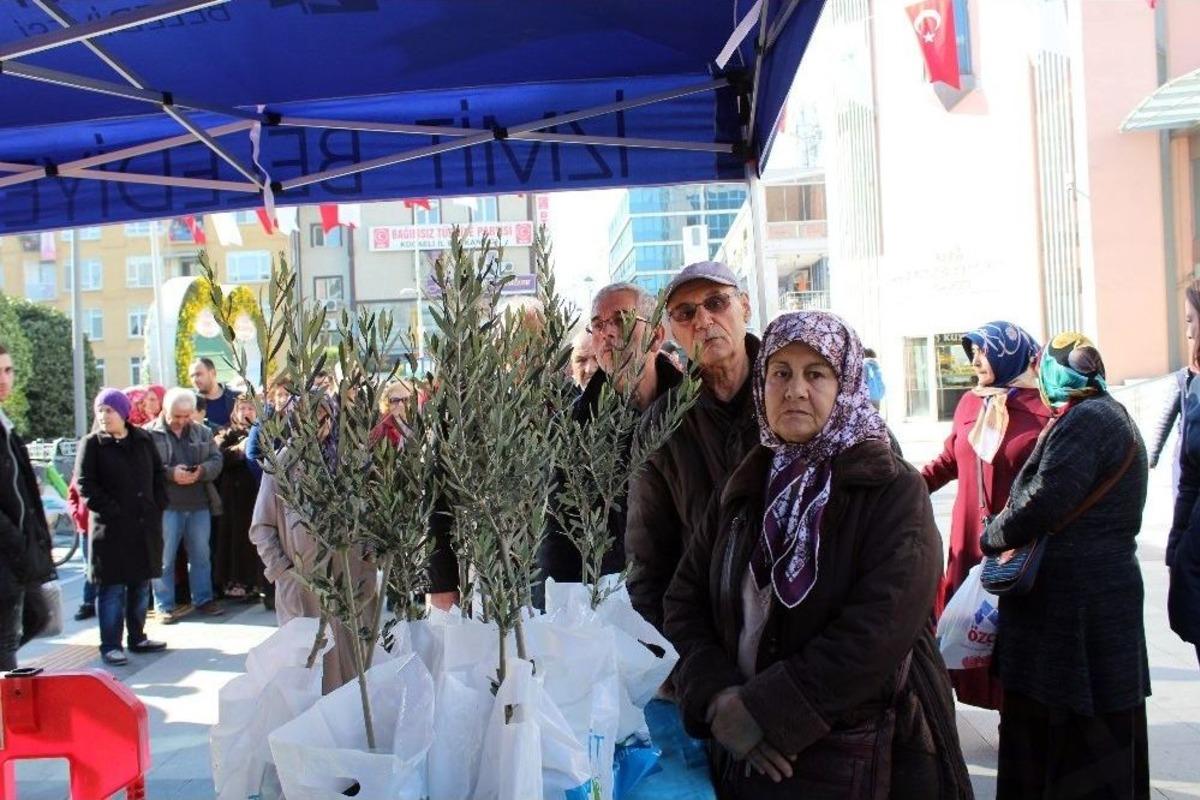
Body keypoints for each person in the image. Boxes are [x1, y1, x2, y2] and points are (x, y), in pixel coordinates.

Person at [664, 312, 971, 799]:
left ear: (846, 383)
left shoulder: (891, 489)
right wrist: (718, 696)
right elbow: (684, 599)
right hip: (743, 752)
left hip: (854, 757)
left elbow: (880, 627)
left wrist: (767, 710)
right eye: (780, 372)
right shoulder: (747, 484)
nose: (795, 390)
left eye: (816, 373)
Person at [981, 333, 1150, 799]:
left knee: (1068, 741)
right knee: (1095, 735)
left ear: (1059, 372)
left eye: (1044, 368)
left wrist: (993, 534)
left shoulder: (1088, 420)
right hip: (1096, 606)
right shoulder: (1107, 414)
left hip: (1073, 617)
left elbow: (1044, 502)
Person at [626, 261, 761, 632]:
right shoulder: (662, 424)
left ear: (744, 307)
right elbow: (647, 560)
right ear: (672, 329)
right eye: (685, 313)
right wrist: (678, 662)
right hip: (708, 635)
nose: (702, 321)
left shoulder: (795, 395)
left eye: (716, 302)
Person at [921, 321, 1049, 709]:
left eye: (982, 350)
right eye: (972, 351)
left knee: (1016, 632)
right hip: (971, 540)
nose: (975, 359)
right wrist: (902, 487)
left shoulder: (1043, 407)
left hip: (1017, 545)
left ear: (1008, 352)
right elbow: (948, 460)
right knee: (971, 631)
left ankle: (1018, 715)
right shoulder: (970, 404)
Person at [538, 282, 683, 588]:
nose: (608, 333)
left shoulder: (693, 411)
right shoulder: (574, 425)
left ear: (656, 335)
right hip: (608, 601)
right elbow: (559, 530)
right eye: (598, 325)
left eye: (621, 320)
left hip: (687, 596)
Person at [250, 396, 376, 693]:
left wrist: (370, 558)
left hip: (350, 582)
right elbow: (261, 527)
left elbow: (370, 514)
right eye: (310, 417)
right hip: (304, 587)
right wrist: (284, 572)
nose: (319, 425)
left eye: (324, 417)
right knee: (311, 670)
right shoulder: (281, 465)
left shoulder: (349, 462)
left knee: (353, 669)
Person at [75, 389, 169, 666]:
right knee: (112, 589)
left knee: (140, 585)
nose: (104, 416)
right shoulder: (92, 444)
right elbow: (85, 484)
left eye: (109, 410)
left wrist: (157, 503)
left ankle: (137, 637)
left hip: (142, 527)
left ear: (123, 413)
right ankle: (111, 644)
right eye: (100, 411)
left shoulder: (142, 438)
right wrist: (112, 509)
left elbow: (157, 474)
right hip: (111, 530)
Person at [147, 387, 224, 623]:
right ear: (164, 410)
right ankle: (164, 605)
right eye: (176, 416)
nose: (181, 422)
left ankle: (203, 598)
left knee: (201, 555)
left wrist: (201, 471)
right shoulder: (149, 434)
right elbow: (143, 468)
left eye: (186, 416)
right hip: (166, 506)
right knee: (164, 558)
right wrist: (171, 474)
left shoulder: (202, 432)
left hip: (199, 503)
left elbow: (216, 459)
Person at [0, 344, 56, 672]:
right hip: (9, 551)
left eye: (8, 370)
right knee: (6, 641)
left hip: (21, 551)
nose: (4, 379)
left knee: (38, 615)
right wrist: (17, 542)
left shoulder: (6, 424)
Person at [1168, 286, 1200, 665]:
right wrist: (1176, 545)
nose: (1189, 332)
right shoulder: (1192, 386)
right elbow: (1190, 477)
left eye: (1193, 321)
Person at [1149, 282, 1200, 491]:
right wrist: (1151, 456)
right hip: (1188, 476)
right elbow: (1165, 420)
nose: (1188, 332)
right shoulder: (1184, 379)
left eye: (1191, 320)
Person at [214, 396, 265, 600]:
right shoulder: (225, 433)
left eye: (251, 408)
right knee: (236, 539)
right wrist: (238, 450)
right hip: (234, 497)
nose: (246, 412)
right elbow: (219, 457)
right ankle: (237, 582)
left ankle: (258, 583)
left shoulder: (263, 430)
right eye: (242, 408)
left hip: (256, 492)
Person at [189, 357, 240, 429]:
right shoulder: (191, 405)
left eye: (198, 374)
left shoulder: (237, 398)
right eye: (192, 376)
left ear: (213, 373)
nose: (195, 379)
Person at [370, 380, 415, 448]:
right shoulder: (381, 428)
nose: (400, 404)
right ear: (387, 402)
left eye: (405, 399)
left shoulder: (418, 423)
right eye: (395, 400)